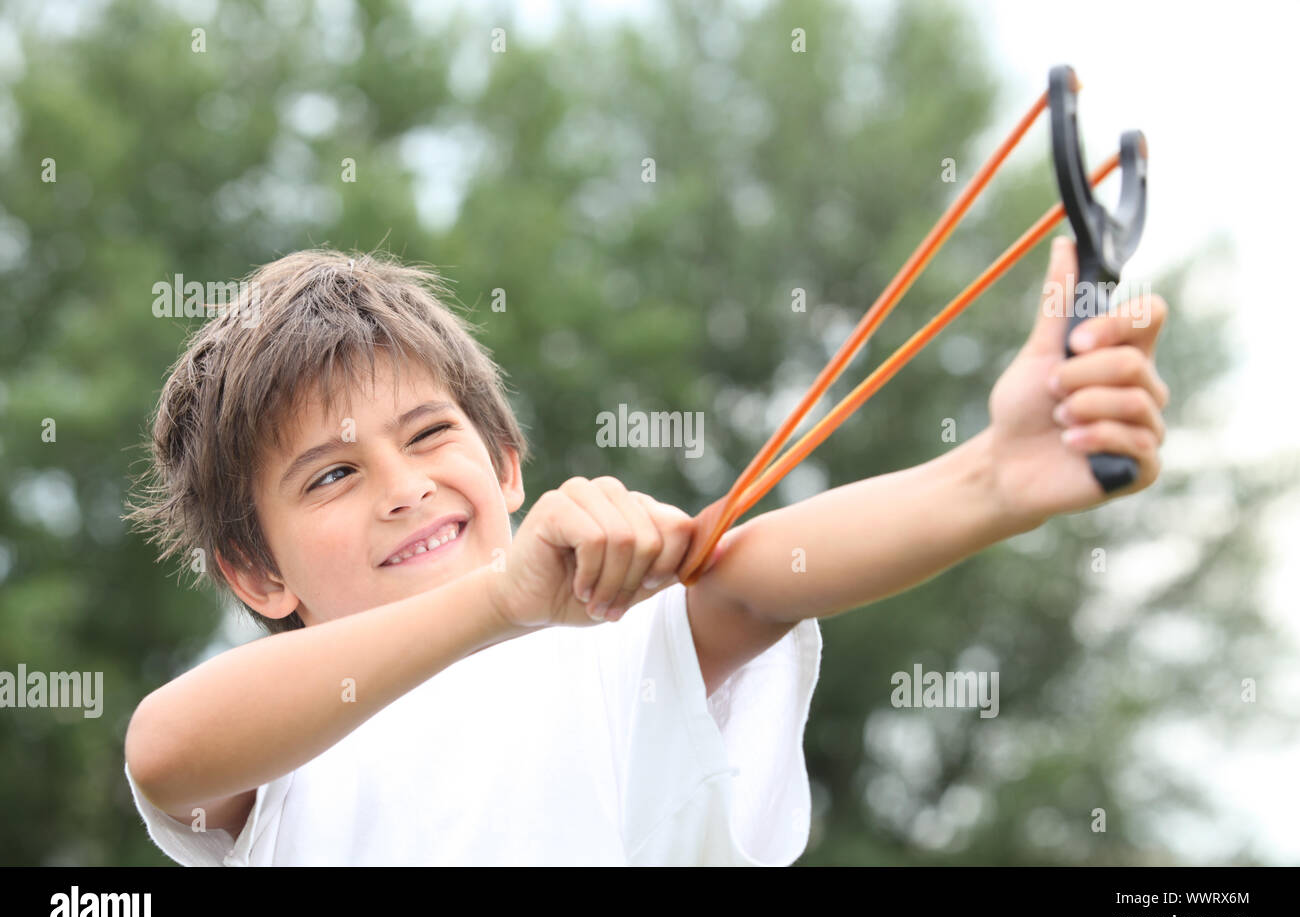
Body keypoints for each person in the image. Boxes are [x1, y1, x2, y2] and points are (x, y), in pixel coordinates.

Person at [121, 239, 1169, 865]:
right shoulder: (284, 759)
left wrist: (987, 478)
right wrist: (503, 596)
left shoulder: (609, 649)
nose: (404, 488)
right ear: (258, 574)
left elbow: (760, 575)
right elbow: (163, 749)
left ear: (506, 462)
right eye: (331, 474)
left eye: (430, 433)